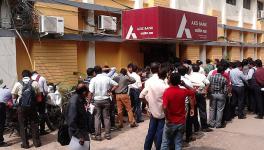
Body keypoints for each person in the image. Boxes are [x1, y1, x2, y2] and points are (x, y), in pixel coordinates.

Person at [161, 73, 195, 150]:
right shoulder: (183, 91)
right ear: (179, 81)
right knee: (178, 143)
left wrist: (167, 117)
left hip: (170, 121)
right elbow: (193, 91)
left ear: (169, 81)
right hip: (181, 121)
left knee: (165, 143)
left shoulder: (167, 92)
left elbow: (165, 107)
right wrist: (185, 84)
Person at [140, 63, 168, 150]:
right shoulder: (165, 85)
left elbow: (141, 96)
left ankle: (147, 148)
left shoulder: (149, 82)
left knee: (151, 132)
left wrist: (148, 104)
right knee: (160, 132)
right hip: (162, 112)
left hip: (152, 110)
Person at [11, 70, 41, 149]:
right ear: (30, 76)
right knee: (34, 124)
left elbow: (13, 96)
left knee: (22, 125)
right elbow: (39, 96)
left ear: (22, 76)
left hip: (21, 108)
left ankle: (25, 144)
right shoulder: (35, 83)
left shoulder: (18, 83)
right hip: (32, 107)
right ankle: (37, 143)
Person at [89, 66, 118, 141]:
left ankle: (98, 136)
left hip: (97, 101)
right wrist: (110, 91)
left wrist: (88, 102)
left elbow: (91, 92)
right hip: (106, 100)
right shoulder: (107, 78)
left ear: (94, 72)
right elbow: (116, 84)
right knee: (106, 117)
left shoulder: (93, 79)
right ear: (101, 71)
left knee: (97, 118)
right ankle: (107, 134)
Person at [187, 64, 212, 132]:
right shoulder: (202, 75)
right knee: (202, 110)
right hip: (200, 94)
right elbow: (208, 83)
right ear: (198, 69)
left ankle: (196, 127)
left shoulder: (189, 76)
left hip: (192, 94)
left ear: (192, 69)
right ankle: (204, 127)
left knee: (193, 110)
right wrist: (205, 91)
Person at [67, 82, 90, 148]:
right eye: (87, 91)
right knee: (80, 148)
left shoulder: (79, 98)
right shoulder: (74, 103)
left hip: (82, 130)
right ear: (84, 92)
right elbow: (71, 121)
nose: (88, 93)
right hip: (77, 133)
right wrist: (79, 136)